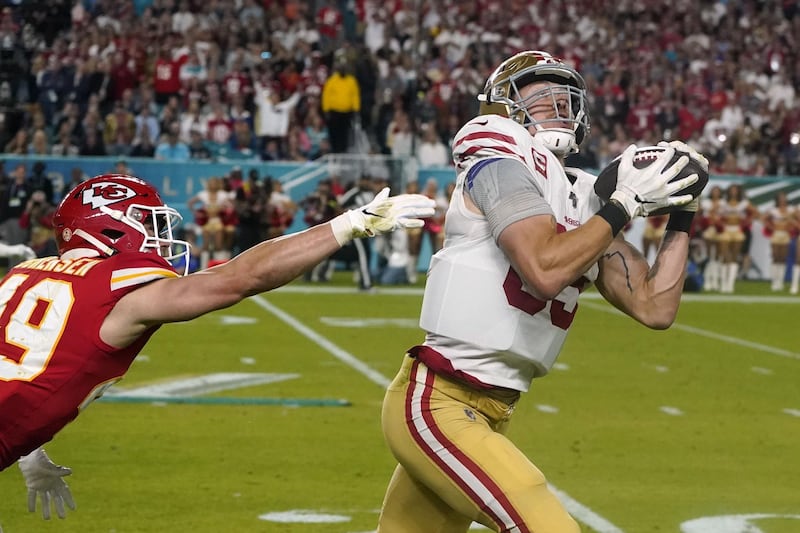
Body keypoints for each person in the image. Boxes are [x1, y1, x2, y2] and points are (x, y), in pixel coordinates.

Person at [376, 50, 706, 532]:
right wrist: (625, 205)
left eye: (566, 97)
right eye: (540, 94)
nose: (559, 106)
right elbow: (543, 272)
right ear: (503, 107)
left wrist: (683, 211)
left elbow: (655, 306)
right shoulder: (498, 163)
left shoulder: (580, 196)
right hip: (439, 401)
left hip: (489, 409)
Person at [0, 173, 434, 522]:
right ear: (109, 228)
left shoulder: (26, 273)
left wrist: (26, 446)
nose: (157, 237)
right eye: (147, 225)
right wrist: (348, 224)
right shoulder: (118, 295)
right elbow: (238, 279)